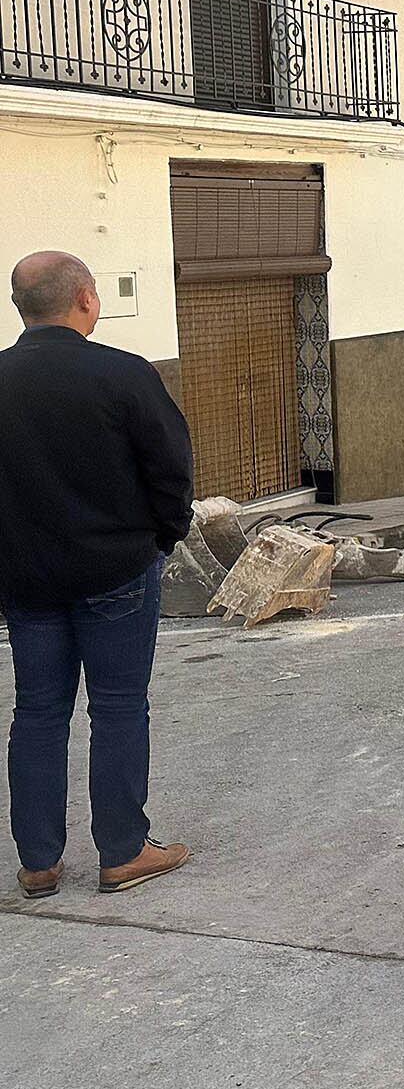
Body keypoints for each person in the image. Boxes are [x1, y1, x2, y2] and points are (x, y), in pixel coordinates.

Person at [0, 252, 193, 899]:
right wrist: (161, 539)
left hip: (26, 579)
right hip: (117, 572)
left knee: (37, 712)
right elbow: (171, 471)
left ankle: (39, 862)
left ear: (20, 307)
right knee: (116, 708)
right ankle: (122, 850)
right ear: (86, 297)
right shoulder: (122, 374)